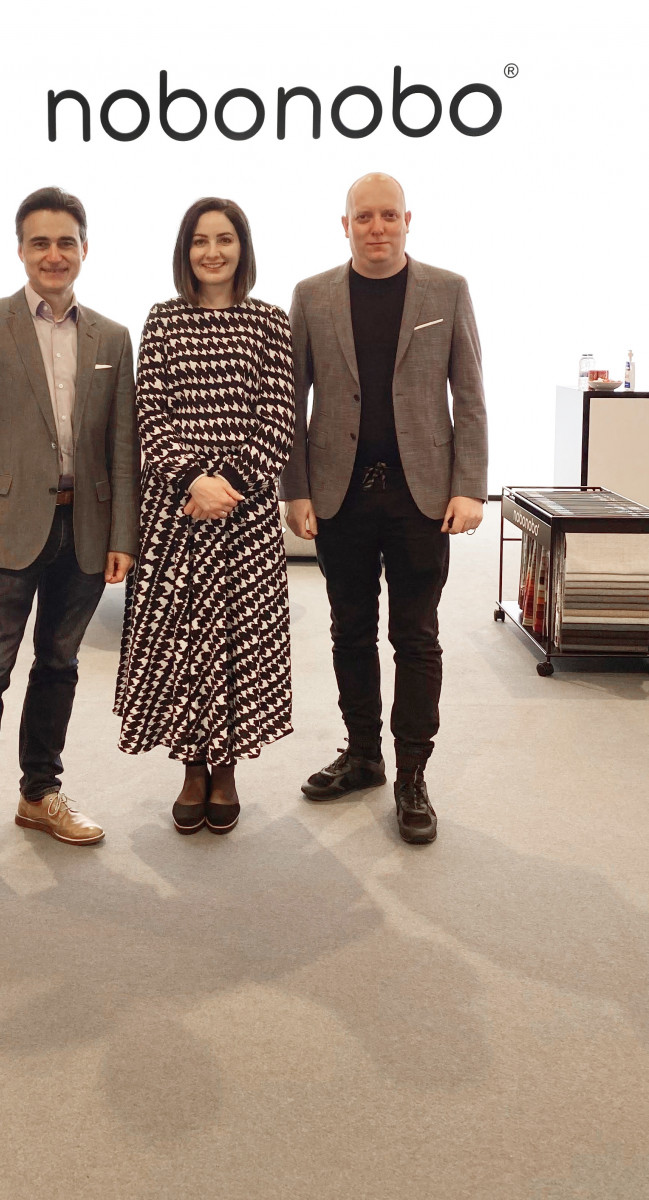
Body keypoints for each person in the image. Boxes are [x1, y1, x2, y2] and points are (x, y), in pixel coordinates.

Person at [0, 186, 139, 905]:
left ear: (84, 249)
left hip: (84, 530)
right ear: (20, 249)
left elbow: (122, 448)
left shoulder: (112, 337)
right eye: (40, 242)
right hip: (3, 532)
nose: (54, 254)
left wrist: (122, 534)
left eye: (66, 242)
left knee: (59, 665)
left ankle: (39, 793)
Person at [281, 173, 487, 844]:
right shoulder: (311, 296)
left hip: (419, 495)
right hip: (340, 494)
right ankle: (364, 755)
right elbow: (290, 400)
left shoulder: (446, 290)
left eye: (388, 215)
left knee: (416, 636)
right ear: (344, 225)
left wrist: (469, 485)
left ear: (407, 220)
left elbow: (469, 393)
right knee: (349, 631)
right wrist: (296, 489)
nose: (376, 227)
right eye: (363, 217)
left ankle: (412, 775)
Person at [115, 197, 295, 834]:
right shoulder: (162, 320)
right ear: (184, 250)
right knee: (183, 645)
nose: (212, 252)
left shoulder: (270, 322)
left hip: (246, 520)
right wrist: (194, 480)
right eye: (199, 240)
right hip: (175, 513)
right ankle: (192, 767)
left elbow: (278, 421)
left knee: (238, 645)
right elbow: (150, 416)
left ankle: (228, 768)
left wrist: (227, 487)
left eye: (224, 239)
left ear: (243, 247)